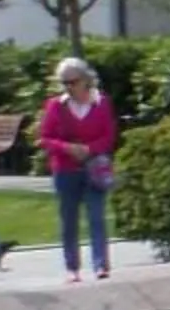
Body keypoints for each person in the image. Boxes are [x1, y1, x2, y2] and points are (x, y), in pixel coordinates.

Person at [38, 56, 117, 283]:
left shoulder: (101, 103)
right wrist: (67, 148)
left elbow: (109, 136)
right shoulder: (56, 105)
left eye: (73, 82)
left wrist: (89, 149)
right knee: (69, 220)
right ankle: (72, 268)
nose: (69, 87)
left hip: (94, 169)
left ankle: (100, 265)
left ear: (85, 80)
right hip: (65, 169)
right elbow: (45, 138)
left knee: (96, 217)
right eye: (65, 83)